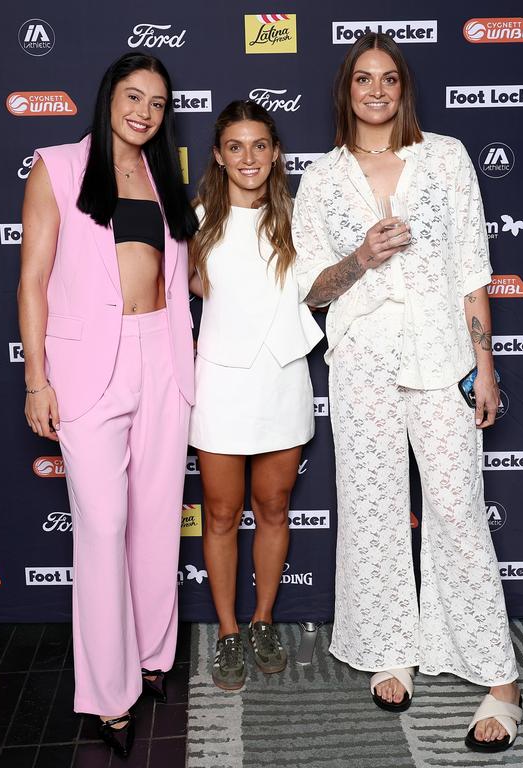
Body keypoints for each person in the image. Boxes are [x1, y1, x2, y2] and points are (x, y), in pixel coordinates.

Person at [292, 33, 523, 752]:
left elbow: (471, 270)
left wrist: (485, 367)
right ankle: (389, 645)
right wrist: (360, 256)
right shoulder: (324, 178)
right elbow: (313, 289)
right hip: (360, 361)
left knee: (455, 509)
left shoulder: (446, 158)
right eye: (363, 79)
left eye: (389, 78)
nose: (377, 90)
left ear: (403, 89)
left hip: (442, 356)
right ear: (347, 91)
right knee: (372, 508)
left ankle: (499, 677)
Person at [17, 52, 198, 759]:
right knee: (102, 527)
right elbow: (32, 280)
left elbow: (177, 273)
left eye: (156, 103)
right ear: (108, 97)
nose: (143, 112)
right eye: (133, 96)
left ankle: (153, 656)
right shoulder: (57, 166)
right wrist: (37, 378)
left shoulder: (161, 176)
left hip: (162, 354)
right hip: (88, 363)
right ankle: (107, 695)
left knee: (155, 520)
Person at [188, 100, 323, 691]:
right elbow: (181, 288)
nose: (249, 157)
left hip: (281, 379)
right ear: (218, 155)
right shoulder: (194, 219)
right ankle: (226, 629)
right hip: (219, 381)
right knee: (219, 514)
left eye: (260, 145)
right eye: (236, 146)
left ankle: (263, 619)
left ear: (276, 153)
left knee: (273, 508)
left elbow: (321, 288)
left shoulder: (298, 217)